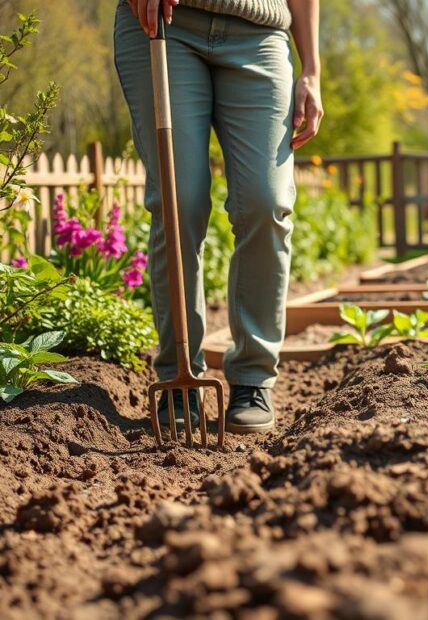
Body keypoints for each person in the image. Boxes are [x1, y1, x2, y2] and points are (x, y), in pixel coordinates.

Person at [114, 0, 323, 434]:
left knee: (266, 202)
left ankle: (252, 378)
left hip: (260, 35)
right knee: (179, 203)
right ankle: (179, 379)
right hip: (165, 26)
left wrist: (312, 69)